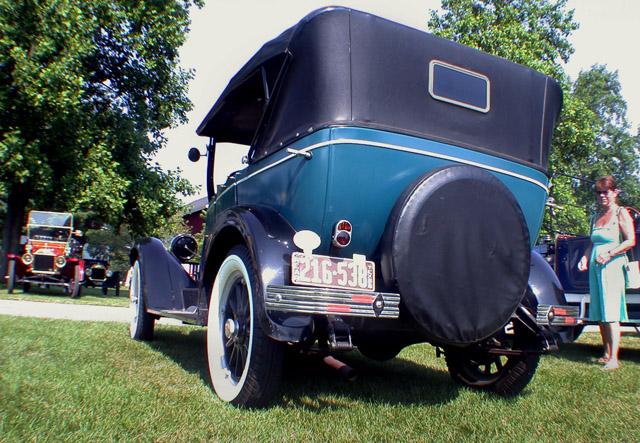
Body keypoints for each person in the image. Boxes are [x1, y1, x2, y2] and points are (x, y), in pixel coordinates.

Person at [578, 175, 636, 370]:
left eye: (606, 192)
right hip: (596, 266)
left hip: (612, 266)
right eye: (599, 192)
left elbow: (630, 241)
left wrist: (609, 254)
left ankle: (614, 359)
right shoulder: (595, 216)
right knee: (600, 311)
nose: (602, 196)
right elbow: (591, 242)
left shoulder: (621, 213)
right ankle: (605, 353)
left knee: (611, 311)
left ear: (614, 192)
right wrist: (585, 257)